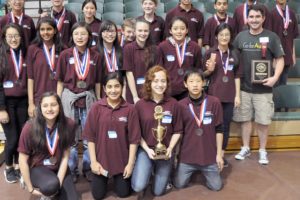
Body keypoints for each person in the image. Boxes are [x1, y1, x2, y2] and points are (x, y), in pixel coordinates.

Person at [232, 5, 284, 165]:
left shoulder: (272, 37)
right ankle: (246, 147)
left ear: (263, 18)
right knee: (245, 119)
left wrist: (275, 77)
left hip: (264, 89)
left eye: (257, 17)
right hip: (244, 89)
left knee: (263, 121)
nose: (254, 20)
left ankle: (262, 150)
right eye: (251, 17)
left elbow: (280, 59)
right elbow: (234, 59)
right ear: (247, 19)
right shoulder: (240, 37)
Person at [55, 22, 102, 182]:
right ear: (72, 36)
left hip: (88, 99)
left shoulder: (96, 56)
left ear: (89, 36)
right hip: (70, 100)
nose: (80, 37)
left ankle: (89, 167)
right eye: (76, 34)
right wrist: (58, 102)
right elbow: (60, 81)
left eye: (83, 34)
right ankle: (72, 169)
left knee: (90, 137)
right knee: (71, 139)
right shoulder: (65, 55)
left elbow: (97, 82)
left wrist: (99, 101)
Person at [83, 72, 141, 199]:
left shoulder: (130, 109)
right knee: (97, 195)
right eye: (109, 87)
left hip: (122, 161)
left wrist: (130, 164)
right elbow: (90, 137)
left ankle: (117, 176)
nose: (113, 90)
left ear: (122, 87)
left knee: (123, 193)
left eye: (117, 86)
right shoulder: (96, 107)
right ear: (104, 88)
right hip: (101, 161)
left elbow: (134, 140)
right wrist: (93, 162)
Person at [131, 65, 183, 196]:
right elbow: (136, 133)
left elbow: (178, 131)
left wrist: (170, 148)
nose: (160, 84)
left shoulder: (173, 104)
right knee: (138, 186)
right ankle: (146, 169)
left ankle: (157, 171)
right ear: (149, 83)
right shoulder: (140, 105)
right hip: (146, 149)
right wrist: (147, 150)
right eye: (156, 81)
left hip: (166, 151)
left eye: (163, 81)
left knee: (158, 192)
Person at [18, 92, 79, 200]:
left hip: (59, 166)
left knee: (72, 198)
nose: (49, 109)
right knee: (50, 185)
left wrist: (59, 183)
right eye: (45, 105)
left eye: (53, 105)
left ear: (59, 106)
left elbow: (65, 156)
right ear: (40, 108)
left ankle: (52, 188)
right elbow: (22, 160)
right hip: (38, 167)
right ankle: (33, 182)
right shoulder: (29, 127)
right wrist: (30, 188)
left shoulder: (69, 124)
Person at [174, 69, 224, 191]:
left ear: (204, 83)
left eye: (198, 81)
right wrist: (176, 155)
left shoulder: (214, 102)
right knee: (179, 184)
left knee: (216, 187)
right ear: (185, 84)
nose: (195, 85)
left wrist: (218, 155)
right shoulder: (180, 105)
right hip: (187, 157)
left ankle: (205, 170)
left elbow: (219, 129)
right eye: (191, 81)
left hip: (208, 156)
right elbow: (178, 132)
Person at [203, 23, 241, 166]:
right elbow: (203, 75)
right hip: (212, 96)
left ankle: (221, 154)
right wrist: (208, 70)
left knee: (225, 126)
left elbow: (237, 75)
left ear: (231, 36)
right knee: (210, 126)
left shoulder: (235, 53)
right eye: (221, 35)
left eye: (227, 34)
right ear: (216, 37)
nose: (224, 37)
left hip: (229, 96)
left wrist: (237, 95)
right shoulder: (210, 53)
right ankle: (209, 153)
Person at [0, 23, 27, 184]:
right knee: (12, 138)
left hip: (23, 102)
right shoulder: (1, 55)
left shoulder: (25, 53)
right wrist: (1, 109)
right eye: (9, 36)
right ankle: (8, 167)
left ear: (21, 37)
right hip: (7, 104)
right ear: (4, 38)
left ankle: (18, 166)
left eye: (16, 35)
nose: (13, 39)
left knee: (22, 136)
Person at [27, 17, 65, 118]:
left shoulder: (63, 49)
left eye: (49, 29)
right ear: (38, 31)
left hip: (58, 98)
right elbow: (30, 78)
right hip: (39, 98)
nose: (45, 32)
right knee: (39, 131)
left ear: (55, 30)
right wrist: (31, 104)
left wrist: (60, 99)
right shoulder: (32, 49)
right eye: (42, 29)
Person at [158, 16, 202, 100]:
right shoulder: (162, 46)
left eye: (182, 28)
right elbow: (160, 69)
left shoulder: (195, 47)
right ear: (170, 31)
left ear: (187, 30)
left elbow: (198, 70)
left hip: (188, 91)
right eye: (175, 29)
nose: (179, 31)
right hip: (168, 90)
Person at [123, 19, 159, 104]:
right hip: (133, 95)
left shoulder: (155, 49)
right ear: (135, 32)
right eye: (140, 30)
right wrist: (135, 97)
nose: (143, 33)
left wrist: (153, 93)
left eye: (145, 31)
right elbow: (129, 73)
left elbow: (156, 72)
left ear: (149, 32)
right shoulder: (128, 48)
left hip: (151, 93)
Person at [271, 0, 299, 86]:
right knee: (275, 84)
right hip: (275, 56)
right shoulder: (271, 14)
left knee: (283, 84)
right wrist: (272, 58)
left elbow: (292, 37)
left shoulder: (291, 13)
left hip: (287, 55)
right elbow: (269, 38)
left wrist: (293, 54)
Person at [93, 20, 123, 98]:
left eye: (112, 31)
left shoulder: (121, 51)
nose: (110, 34)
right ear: (101, 33)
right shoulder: (93, 52)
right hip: (101, 92)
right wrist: (98, 97)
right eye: (106, 31)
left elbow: (124, 76)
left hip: (117, 91)